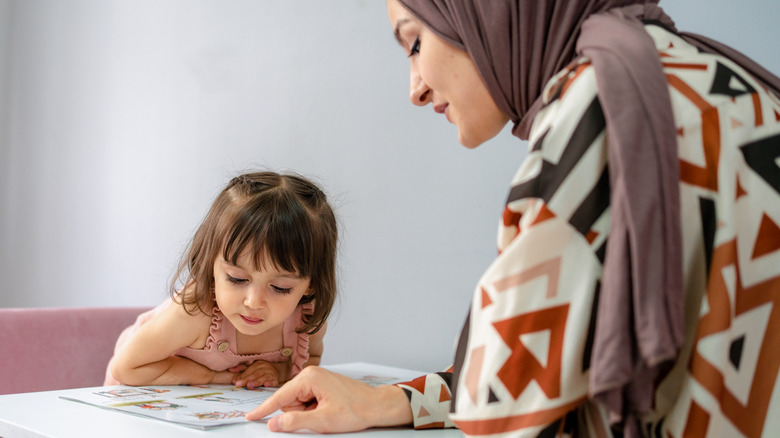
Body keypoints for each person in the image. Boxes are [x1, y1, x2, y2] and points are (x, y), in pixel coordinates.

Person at [247, 0, 780, 436]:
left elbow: (505, 409)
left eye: (414, 42)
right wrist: (389, 402)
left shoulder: (603, 107)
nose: (416, 88)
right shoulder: (730, 82)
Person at [104, 171, 338, 389]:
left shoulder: (307, 320)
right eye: (237, 279)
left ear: (311, 285)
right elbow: (126, 368)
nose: (254, 302)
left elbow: (310, 361)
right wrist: (207, 376)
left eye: (280, 287)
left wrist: (279, 371)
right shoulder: (197, 312)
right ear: (211, 267)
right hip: (135, 394)